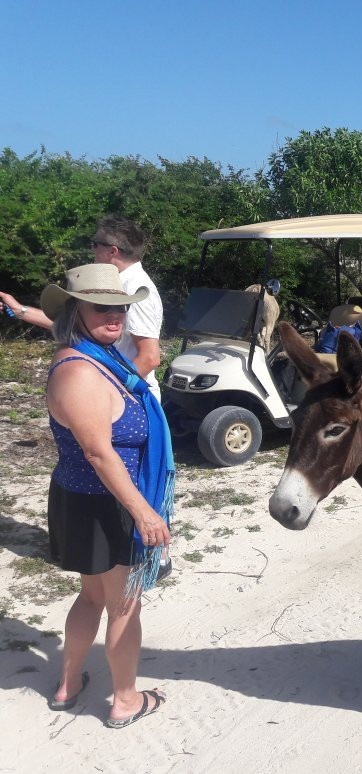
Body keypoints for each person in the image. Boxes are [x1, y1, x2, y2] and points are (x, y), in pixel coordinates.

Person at [41, 263, 174, 728]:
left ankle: (67, 684)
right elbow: (100, 454)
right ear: (75, 311)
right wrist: (144, 513)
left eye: (120, 306)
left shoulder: (99, 358)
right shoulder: (80, 372)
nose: (115, 316)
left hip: (84, 500)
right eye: (102, 307)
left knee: (93, 597)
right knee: (123, 604)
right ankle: (124, 700)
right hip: (106, 505)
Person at [0, 215, 164, 400]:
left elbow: (150, 357)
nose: (92, 249)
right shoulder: (116, 284)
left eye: (95, 244)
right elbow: (77, 326)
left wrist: (109, 394)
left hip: (130, 401)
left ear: (112, 251)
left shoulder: (135, 288)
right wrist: (21, 311)